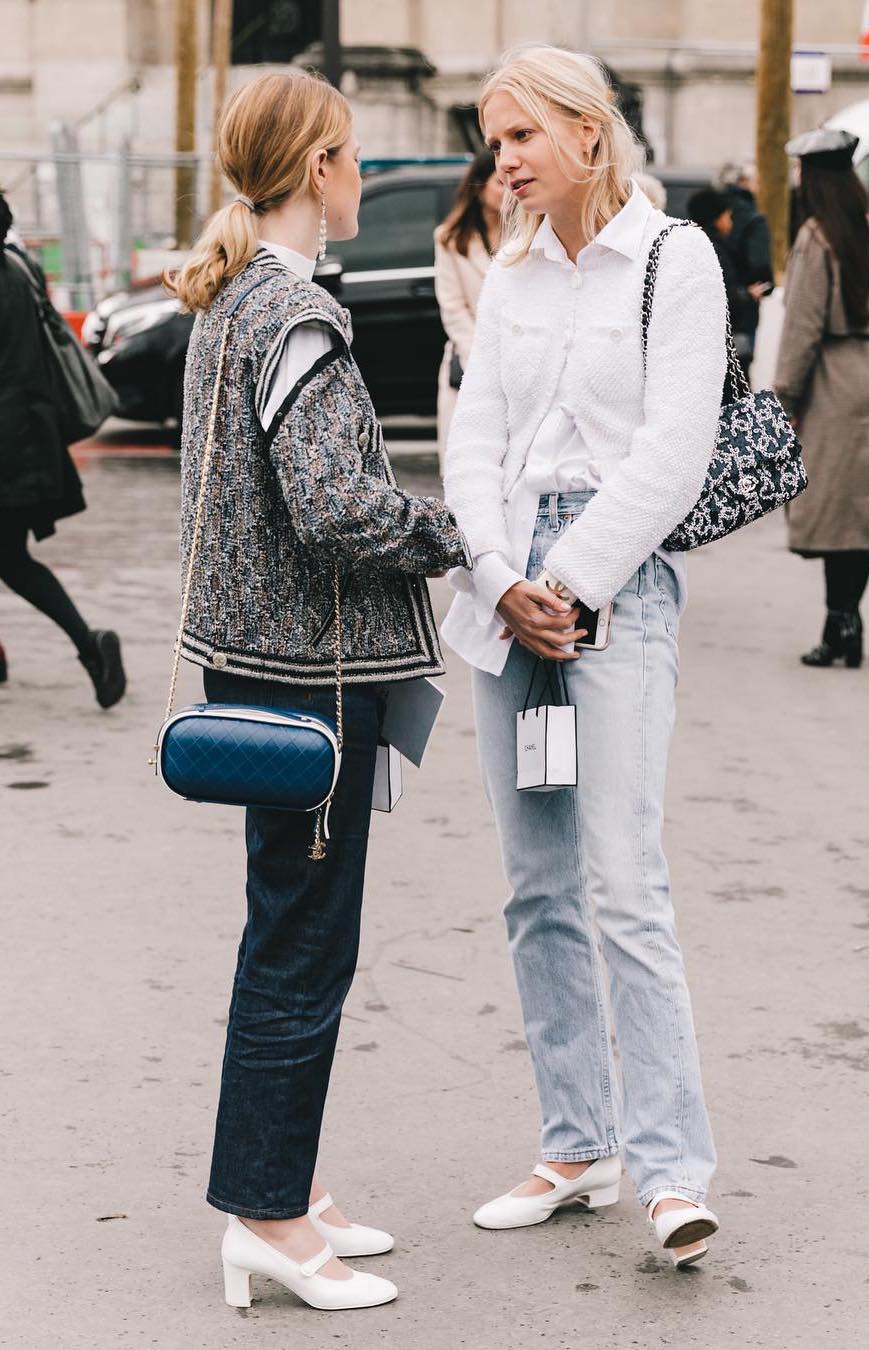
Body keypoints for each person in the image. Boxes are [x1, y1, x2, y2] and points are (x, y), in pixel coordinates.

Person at [168, 70, 470, 1314]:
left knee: (284, 929)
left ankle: (278, 1180)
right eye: (353, 156)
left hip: (252, 662)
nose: (364, 175)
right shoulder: (295, 321)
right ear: (316, 169)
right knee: (303, 942)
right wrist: (445, 534)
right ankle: (269, 1215)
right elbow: (340, 508)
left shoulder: (231, 301)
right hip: (312, 679)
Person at [442, 44, 727, 1270]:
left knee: (623, 881)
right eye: (493, 141)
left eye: (519, 139)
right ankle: (577, 1146)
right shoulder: (508, 274)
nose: (500, 162)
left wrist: (567, 583)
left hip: (617, 581)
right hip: (507, 586)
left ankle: (671, 1171)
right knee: (535, 886)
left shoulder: (676, 258)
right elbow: (472, 436)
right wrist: (504, 580)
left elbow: (673, 451)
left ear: (586, 134)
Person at [0, 193, 126, 708]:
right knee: (9, 556)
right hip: (24, 435)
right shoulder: (16, 266)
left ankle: (90, 644)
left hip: (9, 440)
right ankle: (87, 646)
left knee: (11, 558)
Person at [775, 128, 869, 668]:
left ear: (812, 176)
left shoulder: (816, 236)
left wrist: (783, 398)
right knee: (858, 507)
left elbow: (801, 326)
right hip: (868, 370)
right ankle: (845, 619)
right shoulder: (868, 229)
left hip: (829, 377)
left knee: (831, 508)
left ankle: (839, 624)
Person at [434, 149, 503, 466]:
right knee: (465, 456)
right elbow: (452, 307)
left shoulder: (530, 233)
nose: (508, 191)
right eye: (499, 183)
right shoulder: (450, 238)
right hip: (470, 357)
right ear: (479, 187)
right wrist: (480, 356)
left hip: (520, 355)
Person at [687, 188, 770, 377]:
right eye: (728, 215)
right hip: (723, 338)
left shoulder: (694, 243)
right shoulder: (715, 249)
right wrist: (748, 294)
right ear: (717, 217)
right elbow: (724, 294)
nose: (730, 221)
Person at [718, 162, 774, 370]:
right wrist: (765, 286)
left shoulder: (712, 209)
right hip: (744, 302)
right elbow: (759, 265)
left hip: (714, 306)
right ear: (744, 182)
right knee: (740, 374)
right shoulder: (753, 219)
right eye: (756, 180)